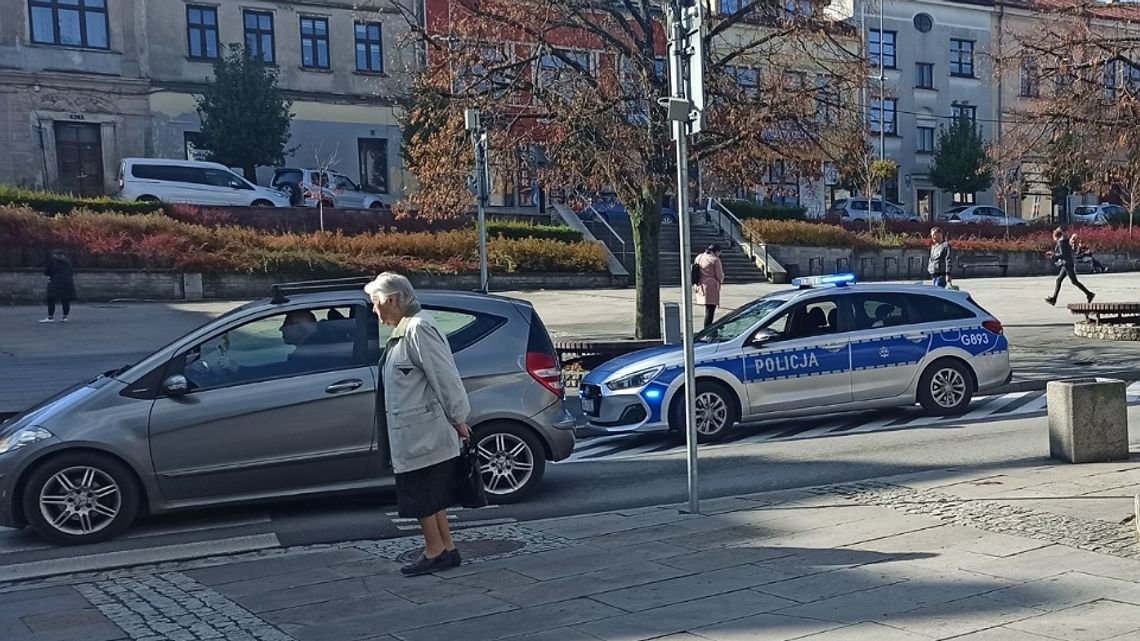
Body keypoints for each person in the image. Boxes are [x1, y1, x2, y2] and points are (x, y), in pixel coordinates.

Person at [365, 272, 471, 577]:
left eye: (376, 303)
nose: (375, 310)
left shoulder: (419, 328)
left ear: (392, 300)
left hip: (422, 430)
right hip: (417, 428)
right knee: (431, 493)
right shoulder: (406, 328)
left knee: (422, 492)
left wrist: (459, 418)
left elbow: (445, 376)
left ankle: (434, 550)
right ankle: (446, 548)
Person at [1045, 227, 1095, 306]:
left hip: (1068, 264)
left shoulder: (1061, 242)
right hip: (1067, 264)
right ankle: (1054, 299)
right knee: (1059, 280)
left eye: (1053, 237)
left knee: (1074, 282)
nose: (1054, 239)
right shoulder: (1064, 240)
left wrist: (1054, 256)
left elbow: (1063, 254)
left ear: (1056, 236)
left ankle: (1089, 294)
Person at [40, 249, 75, 323]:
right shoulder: (68, 262)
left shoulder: (52, 261)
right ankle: (65, 317)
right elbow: (71, 272)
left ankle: (50, 317)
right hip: (67, 283)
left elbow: (47, 272)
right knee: (65, 299)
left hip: (55, 282)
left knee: (51, 299)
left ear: (54, 254)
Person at [694, 244, 724, 329]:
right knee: (710, 310)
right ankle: (707, 329)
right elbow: (719, 276)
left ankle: (707, 328)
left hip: (701, 285)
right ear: (716, 252)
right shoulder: (715, 260)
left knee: (707, 309)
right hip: (711, 285)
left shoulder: (699, 257)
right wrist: (722, 279)